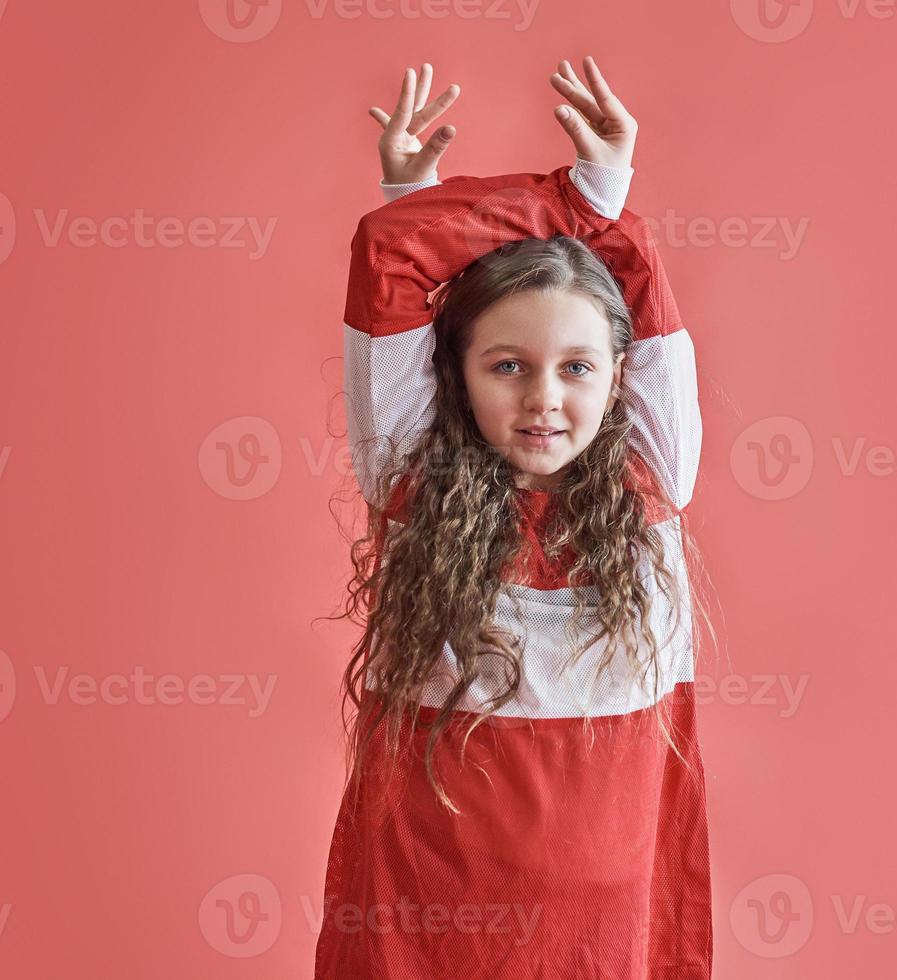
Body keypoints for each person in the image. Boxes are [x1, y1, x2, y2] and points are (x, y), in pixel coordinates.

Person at [314, 57, 717, 979]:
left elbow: (630, 262)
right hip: (432, 908)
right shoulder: (411, 473)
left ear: (622, 375)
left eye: (577, 367)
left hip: (604, 927)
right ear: (451, 373)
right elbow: (389, 256)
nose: (544, 398)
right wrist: (580, 201)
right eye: (506, 366)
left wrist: (601, 197)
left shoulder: (654, 470)